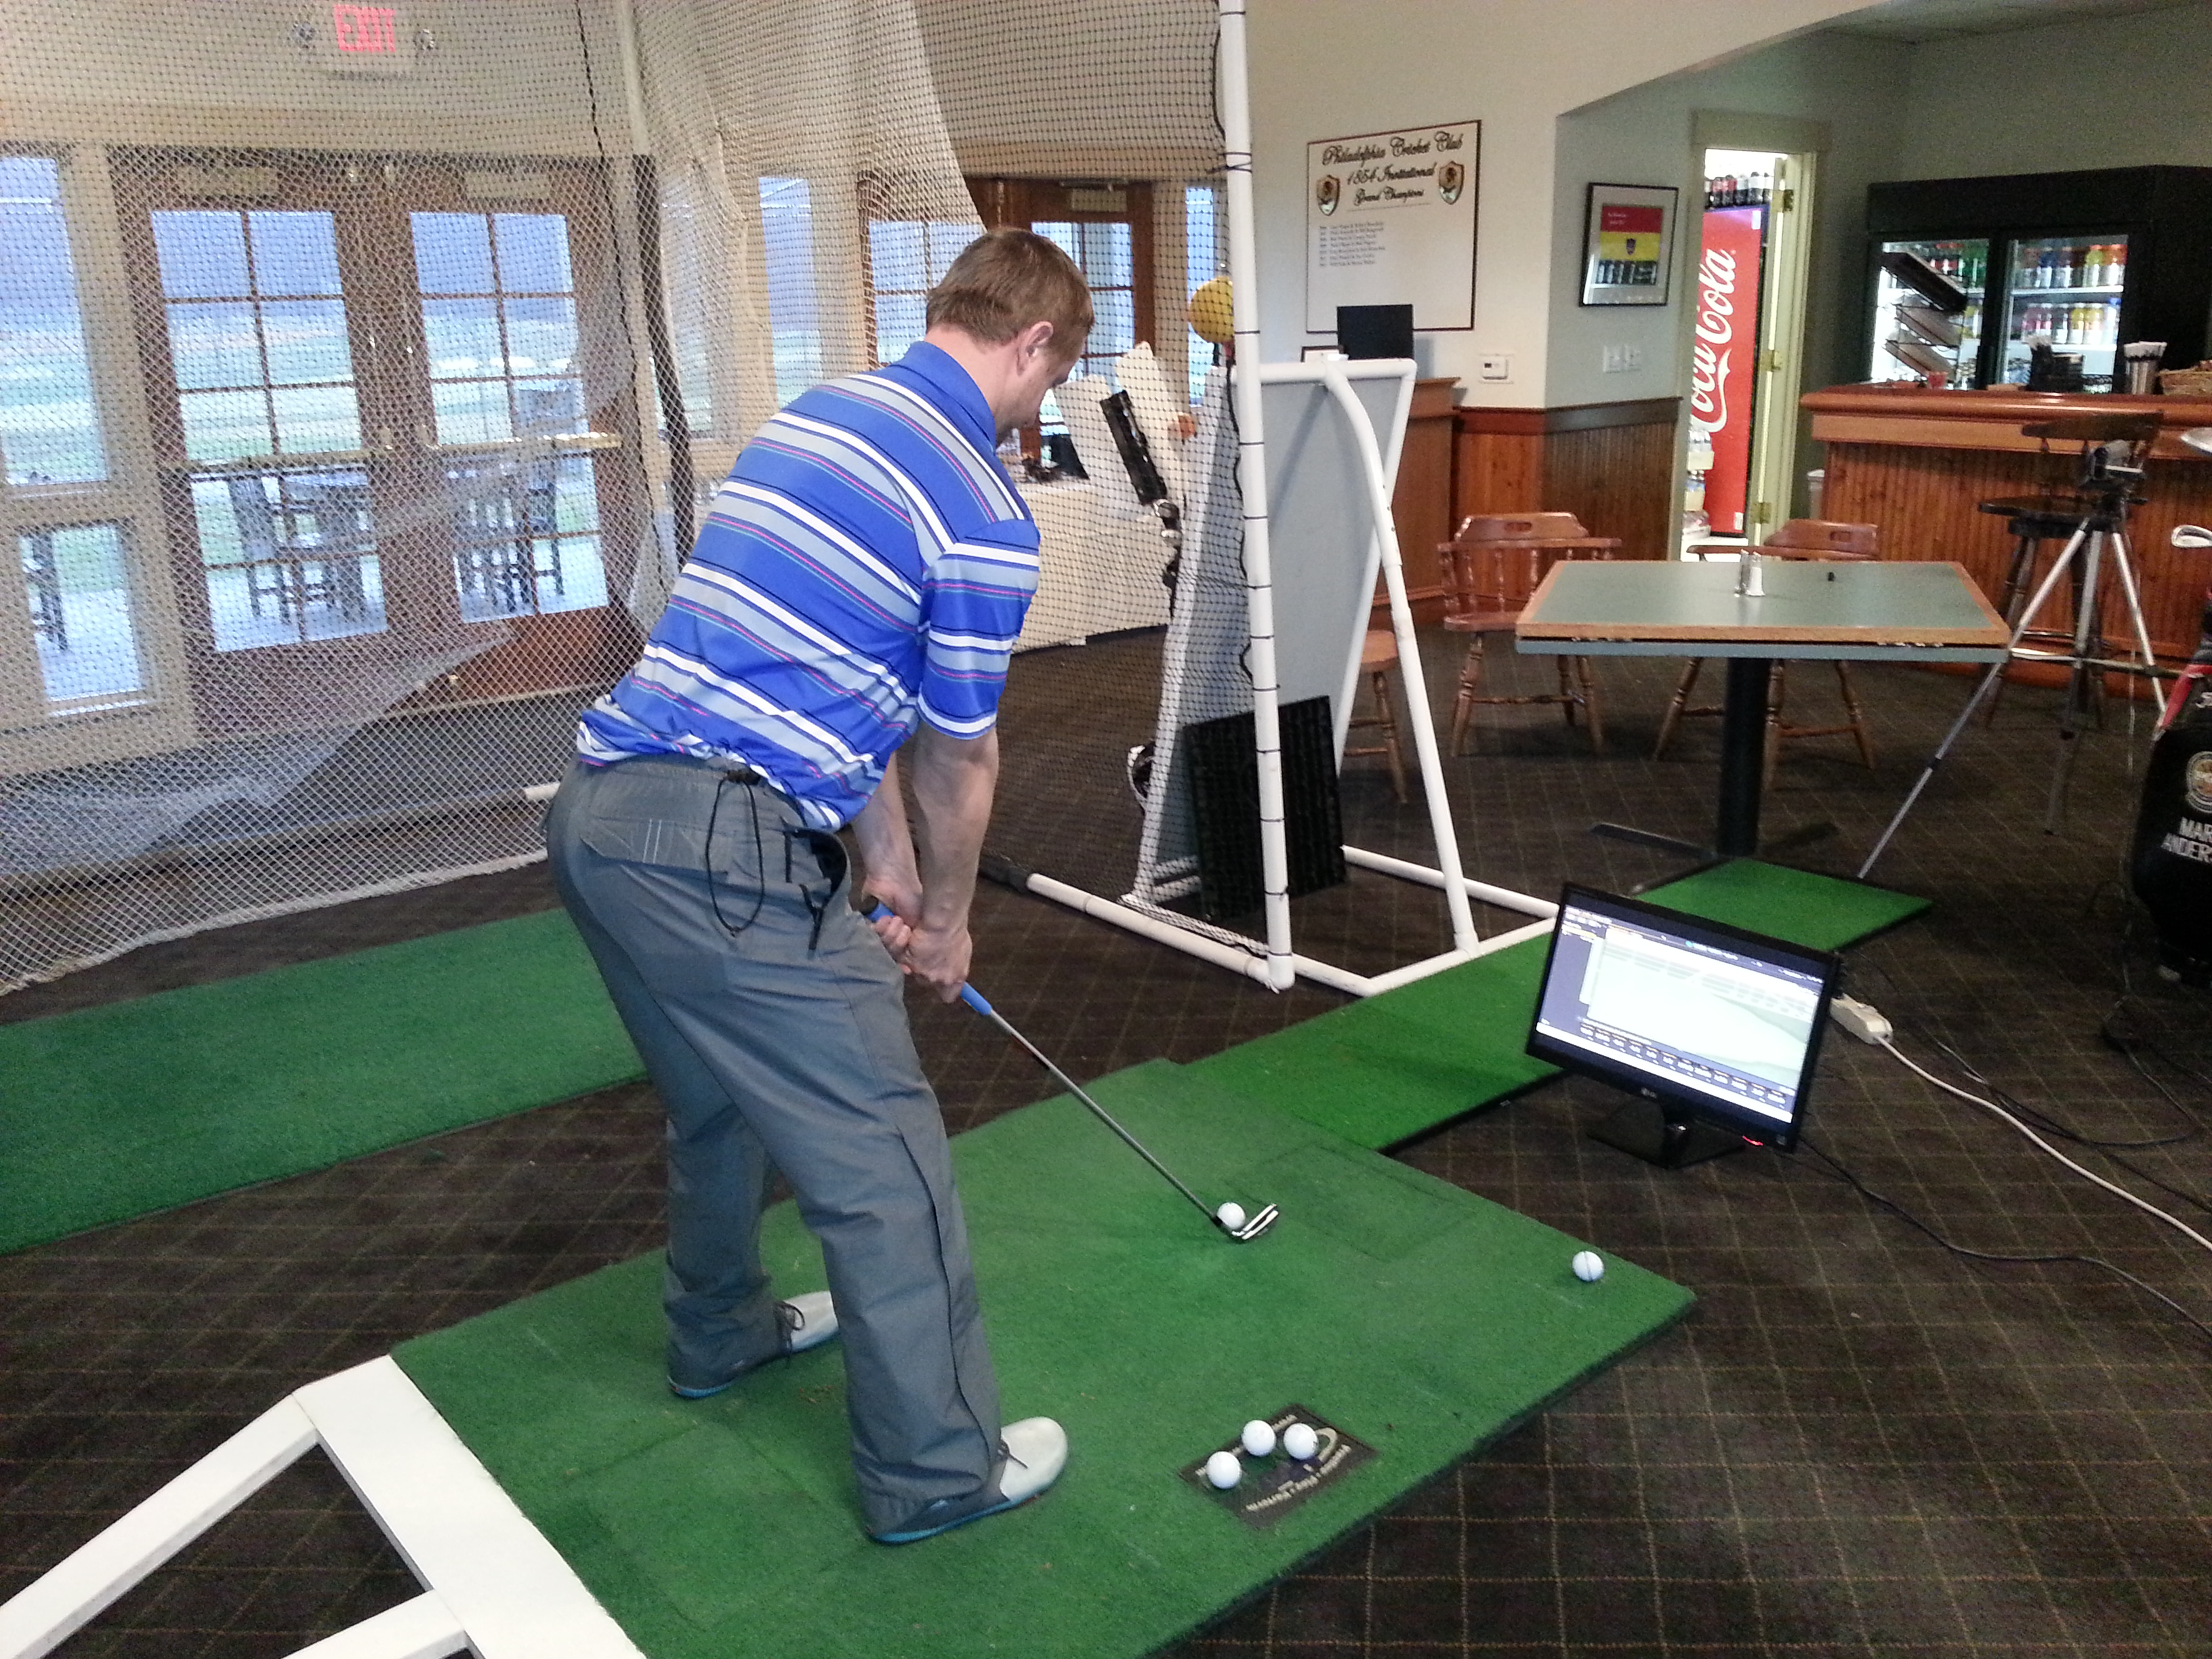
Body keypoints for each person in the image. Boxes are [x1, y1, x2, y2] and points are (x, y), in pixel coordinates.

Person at [544, 228, 1091, 1544]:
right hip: (722, 856)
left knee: (719, 1106)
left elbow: (835, 678)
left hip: (597, 822)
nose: (1039, 408)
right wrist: (946, 924)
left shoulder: (816, 418)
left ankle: (720, 1332)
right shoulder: (982, 505)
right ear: (1032, 345)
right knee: (886, 1165)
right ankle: (936, 1472)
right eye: (1052, 379)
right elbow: (957, 751)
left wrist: (884, 867)